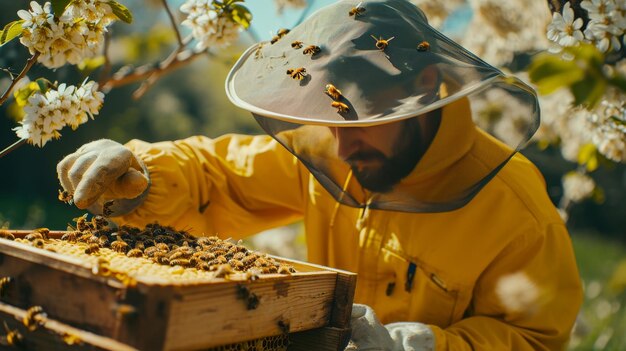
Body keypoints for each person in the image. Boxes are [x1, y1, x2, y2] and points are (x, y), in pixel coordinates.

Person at [57, 0, 583, 349]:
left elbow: (536, 338)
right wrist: (143, 173)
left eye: (364, 119)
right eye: (330, 121)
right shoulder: (339, 151)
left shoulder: (519, 214)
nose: (341, 144)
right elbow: (221, 175)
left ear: (424, 86)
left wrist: (427, 345)